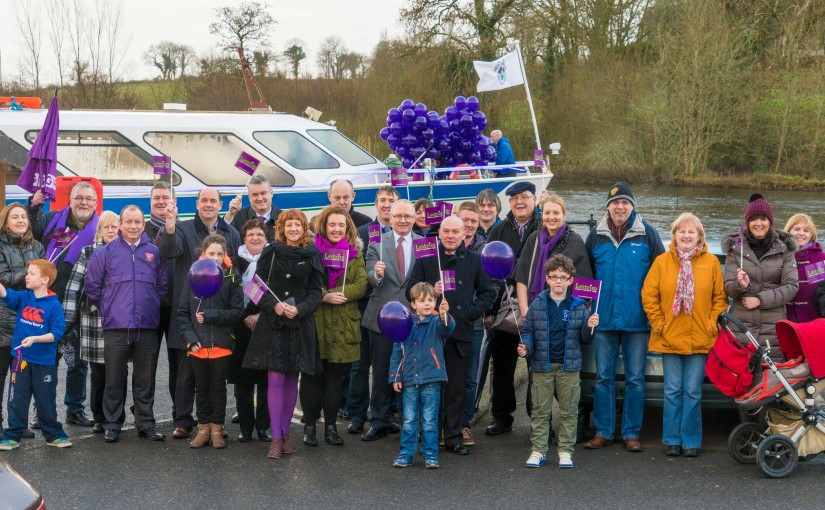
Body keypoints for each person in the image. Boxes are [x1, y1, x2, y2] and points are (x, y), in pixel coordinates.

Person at [583, 182, 664, 452]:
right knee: (603, 378)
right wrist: (588, 309)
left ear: (632, 206)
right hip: (603, 319)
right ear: (608, 206)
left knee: (635, 379)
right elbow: (587, 277)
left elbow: (660, 275)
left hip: (637, 321)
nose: (620, 207)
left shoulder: (647, 234)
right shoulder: (595, 236)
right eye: (615, 203)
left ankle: (631, 432)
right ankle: (603, 431)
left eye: (625, 203)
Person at [407, 215, 497, 455]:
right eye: (446, 231)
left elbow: (489, 293)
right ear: (439, 233)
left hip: (460, 332)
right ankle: (430, 434)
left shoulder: (475, 261)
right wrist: (430, 292)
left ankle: (454, 436)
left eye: (455, 232)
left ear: (463, 234)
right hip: (430, 334)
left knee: (456, 388)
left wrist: (468, 313)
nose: (450, 236)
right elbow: (410, 291)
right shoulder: (426, 258)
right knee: (430, 387)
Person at [642, 213, 727, 458]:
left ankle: (690, 441)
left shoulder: (710, 262)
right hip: (670, 337)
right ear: (675, 235)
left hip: (700, 338)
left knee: (692, 391)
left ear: (699, 236)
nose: (686, 235)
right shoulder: (661, 262)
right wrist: (659, 324)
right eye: (682, 231)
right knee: (672, 391)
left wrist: (712, 325)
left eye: (691, 232)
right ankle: (671, 439)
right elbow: (649, 296)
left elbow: (720, 299)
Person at [159, 187, 241, 439]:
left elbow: (234, 271)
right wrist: (170, 225)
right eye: (203, 200)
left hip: (219, 322)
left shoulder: (231, 232)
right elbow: (169, 250)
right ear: (196, 204)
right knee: (184, 374)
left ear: (220, 204)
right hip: (189, 315)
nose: (208, 204)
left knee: (215, 381)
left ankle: (216, 422)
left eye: (213, 201)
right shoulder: (183, 228)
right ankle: (183, 420)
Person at [243, 209, 324, 459]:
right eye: (288, 225)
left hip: (299, 324)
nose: (293, 229)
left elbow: (315, 291)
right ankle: (275, 439)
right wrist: (274, 306)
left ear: (303, 228)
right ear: (281, 228)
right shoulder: (271, 251)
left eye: (297, 225)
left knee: (291, 381)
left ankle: (286, 433)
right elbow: (255, 287)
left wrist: (300, 309)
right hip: (273, 325)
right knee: (275, 379)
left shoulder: (313, 255)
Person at [85, 205, 168, 443]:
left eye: (137, 222)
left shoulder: (154, 252)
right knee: (114, 378)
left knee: (145, 379)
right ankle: (112, 423)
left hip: (146, 325)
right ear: (120, 224)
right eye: (128, 222)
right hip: (116, 326)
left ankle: (145, 423)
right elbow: (93, 287)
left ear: (144, 225)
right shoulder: (104, 253)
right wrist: (110, 307)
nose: (133, 226)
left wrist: (148, 304)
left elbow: (162, 286)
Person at [27, 182, 100, 428]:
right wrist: (34, 205)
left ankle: (75, 409)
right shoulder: (52, 220)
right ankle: (42, 411)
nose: (84, 202)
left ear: (95, 202)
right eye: (79, 197)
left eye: (89, 198)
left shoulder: (99, 229)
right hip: (48, 305)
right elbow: (32, 229)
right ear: (70, 199)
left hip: (80, 308)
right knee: (46, 361)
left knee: (78, 363)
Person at [518, 255, 598, 468]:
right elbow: (529, 332)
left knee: (569, 411)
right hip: (542, 366)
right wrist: (526, 346)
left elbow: (585, 339)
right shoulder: (537, 304)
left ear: (571, 280)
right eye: (554, 277)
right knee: (540, 411)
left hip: (569, 367)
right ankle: (538, 450)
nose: (558, 281)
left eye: (563, 277)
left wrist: (590, 326)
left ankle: (565, 451)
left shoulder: (580, 306)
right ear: (547, 279)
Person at [301, 205, 367, 447]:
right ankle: (309, 427)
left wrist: (338, 294)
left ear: (347, 227)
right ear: (323, 226)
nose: (337, 229)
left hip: (342, 323)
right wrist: (322, 296)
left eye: (341, 225)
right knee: (310, 378)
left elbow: (361, 284)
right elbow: (304, 283)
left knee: (334, 381)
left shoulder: (355, 253)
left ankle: (330, 427)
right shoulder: (309, 251)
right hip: (315, 321)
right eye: (332, 225)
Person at [358, 200, 421, 440]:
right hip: (383, 318)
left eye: (407, 216)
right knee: (383, 370)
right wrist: (376, 273)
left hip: (414, 318)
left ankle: (409, 422)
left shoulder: (425, 243)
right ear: (390, 218)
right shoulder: (377, 244)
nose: (403, 220)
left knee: (412, 371)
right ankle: (379, 420)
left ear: (414, 218)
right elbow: (369, 279)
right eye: (398, 216)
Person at [484, 181, 541, 436]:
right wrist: (490, 311)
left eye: (525, 197)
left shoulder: (543, 227)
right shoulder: (498, 230)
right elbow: (488, 271)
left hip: (538, 306)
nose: (520, 202)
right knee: (503, 364)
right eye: (515, 198)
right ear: (509, 202)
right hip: (505, 307)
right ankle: (501, 417)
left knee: (536, 366)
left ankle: (536, 419)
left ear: (535, 200)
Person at [178, 235, 244, 449]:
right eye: (211, 253)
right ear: (203, 254)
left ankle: (217, 429)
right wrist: (190, 338)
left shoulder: (232, 277)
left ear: (225, 255)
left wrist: (212, 315)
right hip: (198, 346)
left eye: (219, 254)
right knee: (201, 388)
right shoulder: (194, 276)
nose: (215, 258)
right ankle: (203, 428)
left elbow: (237, 312)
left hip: (222, 345)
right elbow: (182, 313)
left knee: (218, 388)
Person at [345, 186, 401, 431]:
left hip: (397, 308)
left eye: (391, 200)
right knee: (360, 363)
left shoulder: (408, 232)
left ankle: (390, 411)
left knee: (391, 362)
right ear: (375, 204)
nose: (387, 204)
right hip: (366, 304)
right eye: (382, 200)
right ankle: (357, 414)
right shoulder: (363, 232)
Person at [0, 260, 71, 451]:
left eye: (31, 273)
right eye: (27, 273)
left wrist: (35, 339)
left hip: (44, 363)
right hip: (20, 361)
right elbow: (6, 295)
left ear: (45, 280)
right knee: (17, 399)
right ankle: (13, 435)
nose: (26, 276)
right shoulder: (24, 297)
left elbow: (56, 333)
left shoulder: (54, 305)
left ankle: (54, 435)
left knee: (45, 400)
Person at [63, 211, 121, 434]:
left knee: (117, 373)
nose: (110, 231)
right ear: (99, 231)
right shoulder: (88, 252)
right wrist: (66, 321)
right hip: (94, 321)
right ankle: (99, 417)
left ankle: (115, 417)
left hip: (120, 322)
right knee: (98, 373)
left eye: (114, 227)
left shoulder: (127, 253)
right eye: (105, 227)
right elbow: (73, 286)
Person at [722, 194, 798, 361]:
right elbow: (728, 286)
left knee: (771, 381)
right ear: (747, 222)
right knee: (740, 377)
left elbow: (791, 286)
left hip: (772, 329)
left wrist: (760, 299)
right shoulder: (736, 250)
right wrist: (741, 286)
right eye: (754, 219)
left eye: (763, 219)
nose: (758, 223)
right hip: (741, 327)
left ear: (770, 221)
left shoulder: (785, 250)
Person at [390, 282, 455, 469]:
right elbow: (397, 351)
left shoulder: (437, 321)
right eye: (422, 300)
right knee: (409, 420)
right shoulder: (405, 324)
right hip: (409, 379)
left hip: (432, 379)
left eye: (431, 300)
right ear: (413, 304)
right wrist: (395, 376)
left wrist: (444, 315)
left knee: (429, 420)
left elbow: (447, 329)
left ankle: (430, 454)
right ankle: (406, 454)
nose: (427, 304)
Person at [0, 203, 44, 437]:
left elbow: (46, 277)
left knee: (20, 377)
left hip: (28, 322)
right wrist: (30, 272)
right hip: (3, 320)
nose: (20, 220)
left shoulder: (37, 246)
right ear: (5, 221)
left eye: (23, 217)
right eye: (14, 217)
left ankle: (18, 424)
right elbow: (3, 279)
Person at [230, 219, 272, 442]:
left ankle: (263, 427)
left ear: (266, 238)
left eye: (260, 234)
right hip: (240, 324)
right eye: (251, 234)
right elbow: (230, 291)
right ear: (243, 237)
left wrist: (259, 315)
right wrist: (245, 316)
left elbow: (276, 293)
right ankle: (246, 428)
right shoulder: (234, 260)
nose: (255, 237)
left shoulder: (272, 258)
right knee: (243, 380)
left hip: (265, 323)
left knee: (265, 379)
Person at [144, 182, 178, 419]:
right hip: (149, 306)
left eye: (165, 197)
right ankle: (143, 413)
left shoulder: (181, 228)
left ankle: (181, 411)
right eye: (156, 197)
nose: (160, 201)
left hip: (176, 305)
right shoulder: (140, 228)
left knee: (179, 366)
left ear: (173, 201)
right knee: (147, 365)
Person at [456, 202, 487, 445]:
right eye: (464, 220)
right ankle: (443, 423)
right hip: (443, 321)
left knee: (469, 377)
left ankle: (464, 424)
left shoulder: (484, 250)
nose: (468, 226)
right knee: (443, 374)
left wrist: (472, 311)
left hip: (472, 324)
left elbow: (492, 288)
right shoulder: (442, 246)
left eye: (473, 222)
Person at [784, 214, 825, 323]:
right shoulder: (780, 255)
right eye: (796, 229)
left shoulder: (821, 258)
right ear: (788, 231)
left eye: (806, 230)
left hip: (814, 319)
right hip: (784, 316)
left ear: (811, 235)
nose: (801, 233)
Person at [223, 174, 281, 239]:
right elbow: (222, 237)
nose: (260, 198)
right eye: (255, 194)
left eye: (263, 193)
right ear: (249, 197)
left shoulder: (283, 218)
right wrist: (231, 214)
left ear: (271, 193)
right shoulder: (239, 217)